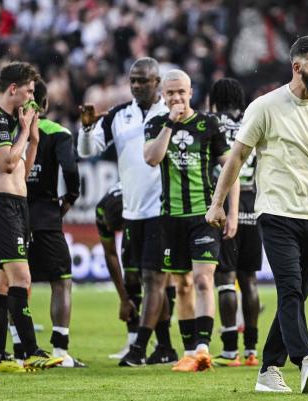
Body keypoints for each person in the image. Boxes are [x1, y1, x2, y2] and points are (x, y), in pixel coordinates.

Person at [206, 36, 308, 394]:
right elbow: (236, 157)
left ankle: (267, 371)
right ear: (297, 67)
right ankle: (304, 359)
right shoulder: (265, 107)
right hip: (277, 212)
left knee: (295, 294)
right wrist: (218, 203)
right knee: (290, 289)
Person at [77, 57, 176, 366]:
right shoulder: (120, 115)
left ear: (157, 83)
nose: (136, 86)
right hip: (132, 210)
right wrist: (86, 128)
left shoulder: (172, 114)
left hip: (161, 210)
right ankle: (164, 347)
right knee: (136, 278)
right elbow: (87, 151)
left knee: (152, 277)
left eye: (143, 81)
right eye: (133, 80)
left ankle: (138, 349)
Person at [144, 69, 239, 372]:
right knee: (182, 284)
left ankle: (202, 348)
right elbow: (152, 158)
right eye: (170, 93)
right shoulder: (157, 124)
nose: (176, 98)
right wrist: (170, 122)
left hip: (203, 215)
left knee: (202, 279)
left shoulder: (208, 125)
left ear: (190, 92)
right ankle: (188, 352)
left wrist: (231, 211)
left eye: (181, 92)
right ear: (163, 95)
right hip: (171, 217)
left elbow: (231, 169)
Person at [0, 62, 62, 372]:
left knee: (0, 283)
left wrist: (34, 138)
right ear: (13, 88)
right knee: (22, 279)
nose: (31, 97)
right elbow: (8, 164)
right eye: (28, 90)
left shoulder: (12, 122)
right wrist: (25, 130)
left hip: (16, 204)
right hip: (0, 206)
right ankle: (31, 351)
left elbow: (23, 173)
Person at [25, 79, 84, 367]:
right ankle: (59, 350)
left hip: (13, 213)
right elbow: (71, 169)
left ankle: (19, 344)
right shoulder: (58, 133)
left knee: (14, 280)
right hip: (47, 215)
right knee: (61, 281)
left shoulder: (9, 130)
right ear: (46, 104)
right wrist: (70, 197)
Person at [210, 78, 262, 368]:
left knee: (225, 277)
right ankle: (252, 350)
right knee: (249, 278)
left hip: (226, 200)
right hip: (254, 202)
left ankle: (230, 350)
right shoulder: (251, 122)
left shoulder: (212, 123)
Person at [95, 183, 141, 359]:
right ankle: (133, 342)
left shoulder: (137, 204)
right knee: (130, 274)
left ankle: (163, 344)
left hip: (148, 216)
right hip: (130, 214)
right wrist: (123, 298)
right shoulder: (101, 210)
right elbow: (110, 254)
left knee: (155, 276)